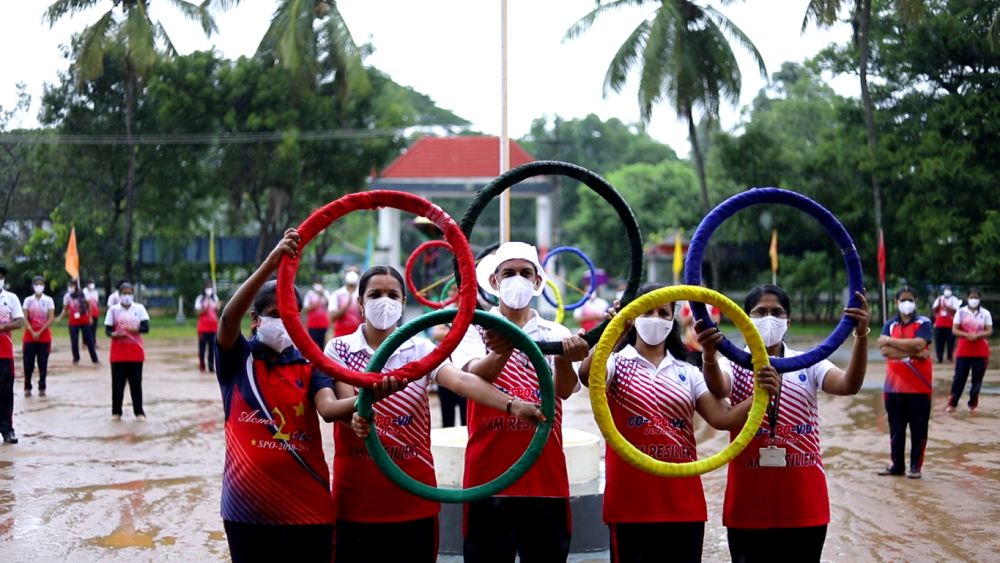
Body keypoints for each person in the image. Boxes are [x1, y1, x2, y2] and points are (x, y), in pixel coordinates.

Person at [329, 265, 546, 563]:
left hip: (415, 495)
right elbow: (342, 407)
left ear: (404, 302)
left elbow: (461, 381)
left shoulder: (420, 349)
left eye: (392, 295)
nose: (384, 301)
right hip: (356, 497)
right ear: (360, 303)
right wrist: (357, 414)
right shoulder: (339, 348)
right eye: (375, 294)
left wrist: (513, 405)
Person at [578, 282, 780, 563]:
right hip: (630, 503)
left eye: (663, 312)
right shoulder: (614, 362)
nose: (656, 319)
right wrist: (612, 336)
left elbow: (722, 418)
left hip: (684, 502)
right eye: (647, 311)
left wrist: (760, 396)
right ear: (633, 317)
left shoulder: (688, 370)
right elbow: (589, 376)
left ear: (672, 319)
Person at [699, 283, 870, 563]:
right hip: (748, 504)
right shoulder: (734, 364)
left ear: (788, 322)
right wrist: (708, 355)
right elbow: (718, 389)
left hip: (804, 502)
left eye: (777, 312)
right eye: (760, 311)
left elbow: (849, 385)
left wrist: (861, 334)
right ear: (746, 319)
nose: (769, 318)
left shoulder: (808, 362)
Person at [214, 229, 357, 563]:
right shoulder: (237, 359)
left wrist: (374, 393)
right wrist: (270, 264)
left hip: (309, 506)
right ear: (255, 319)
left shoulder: (312, 363)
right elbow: (227, 318)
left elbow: (329, 409)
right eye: (275, 315)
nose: (283, 322)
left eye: (290, 315)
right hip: (245, 508)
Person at [451, 241, 589, 563]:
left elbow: (565, 391)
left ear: (538, 282)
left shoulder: (555, 330)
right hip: (489, 476)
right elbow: (472, 377)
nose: (517, 279)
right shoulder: (473, 327)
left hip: (547, 474)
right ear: (495, 281)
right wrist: (502, 348)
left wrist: (566, 358)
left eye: (525, 273)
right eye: (509, 273)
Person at [877, 286, 933, 479]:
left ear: (916, 302)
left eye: (910, 299)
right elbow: (884, 351)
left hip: (919, 386)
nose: (906, 303)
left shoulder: (924, 322)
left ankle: (915, 467)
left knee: (919, 429)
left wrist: (891, 342)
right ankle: (897, 465)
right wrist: (915, 353)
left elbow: (920, 343)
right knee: (896, 428)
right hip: (893, 387)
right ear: (896, 302)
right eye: (903, 300)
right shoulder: (890, 324)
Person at [105, 283, 150, 420]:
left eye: (129, 293)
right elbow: (108, 330)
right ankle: (116, 412)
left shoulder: (139, 308)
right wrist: (115, 335)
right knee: (117, 383)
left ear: (133, 295)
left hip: (135, 352)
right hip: (118, 353)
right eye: (124, 293)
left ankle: (139, 412)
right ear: (119, 295)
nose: (126, 296)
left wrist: (132, 330)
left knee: (136, 383)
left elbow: (145, 328)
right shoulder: (113, 310)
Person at [948, 288, 993, 413]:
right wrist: (967, 335)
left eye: (976, 298)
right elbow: (954, 330)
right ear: (967, 299)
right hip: (964, 350)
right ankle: (953, 403)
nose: (974, 300)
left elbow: (989, 330)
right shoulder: (961, 312)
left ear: (979, 299)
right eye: (972, 297)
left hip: (981, 351)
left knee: (977, 378)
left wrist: (978, 336)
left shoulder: (985, 313)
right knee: (959, 377)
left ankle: (972, 404)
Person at [429, 282, 467, 427]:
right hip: (445, 367)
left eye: (455, 290)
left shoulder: (472, 310)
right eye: (450, 290)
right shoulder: (446, 311)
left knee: (466, 414)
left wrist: (449, 334)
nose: (452, 294)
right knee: (447, 413)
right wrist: (459, 334)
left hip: (464, 368)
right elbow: (435, 333)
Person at [0, 266, 24, 444]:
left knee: (5, 393)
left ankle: (7, 430)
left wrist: (3, 327)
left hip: (4, 353)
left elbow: (18, 322)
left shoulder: (10, 298)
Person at [22, 276, 56, 397]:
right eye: (36, 284)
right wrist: (32, 331)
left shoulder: (49, 300)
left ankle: (42, 386)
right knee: (28, 363)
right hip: (29, 336)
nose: (38, 286)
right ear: (32, 286)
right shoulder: (28, 300)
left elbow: (51, 317)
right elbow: (24, 318)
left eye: (41, 284)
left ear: (44, 286)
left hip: (44, 336)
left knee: (43, 362)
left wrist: (40, 331)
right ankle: (27, 386)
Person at [58, 279, 99, 365]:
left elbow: (89, 306)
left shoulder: (83, 294)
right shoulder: (67, 296)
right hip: (73, 322)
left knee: (89, 340)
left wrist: (90, 317)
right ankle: (76, 358)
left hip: (84, 320)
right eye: (69, 286)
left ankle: (94, 358)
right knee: (74, 340)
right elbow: (65, 309)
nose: (70, 288)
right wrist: (59, 318)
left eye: (72, 286)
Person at [931, 285, 962, 363]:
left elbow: (956, 310)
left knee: (950, 342)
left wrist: (947, 306)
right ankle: (939, 357)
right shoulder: (939, 298)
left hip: (950, 324)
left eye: (949, 289)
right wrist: (939, 304)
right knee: (939, 342)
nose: (947, 291)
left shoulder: (954, 299)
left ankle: (949, 357)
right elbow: (934, 309)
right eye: (946, 289)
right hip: (939, 323)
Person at [195, 281, 221, 373]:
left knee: (212, 348)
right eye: (207, 287)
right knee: (202, 348)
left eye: (210, 287)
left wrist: (217, 307)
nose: (209, 289)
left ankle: (211, 366)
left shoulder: (215, 298)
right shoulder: (200, 299)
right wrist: (205, 309)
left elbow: (217, 313)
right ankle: (202, 366)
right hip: (203, 327)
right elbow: (197, 313)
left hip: (213, 327)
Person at [330, 266, 362, 338]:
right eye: (349, 272)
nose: (352, 274)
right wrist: (347, 305)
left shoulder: (363, 294)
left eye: (356, 272)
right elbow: (332, 317)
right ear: (344, 276)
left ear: (359, 276)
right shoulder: (337, 294)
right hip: (340, 337)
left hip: (360, 338)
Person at [303, 276, 331, 351]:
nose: (318, 285)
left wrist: (322, 294)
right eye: (317, 283)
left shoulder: (326, 293)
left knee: (323, 345)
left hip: (323, 324)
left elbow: (330, 306)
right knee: (312, 345)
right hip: (312, 324)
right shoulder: (309, 294)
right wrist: (315, 305)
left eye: (320, 283)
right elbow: (306, 309)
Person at [84, 278, 101, 348]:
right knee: (87, 328)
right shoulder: (84, 291)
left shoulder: (95, 292)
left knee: (94, 328)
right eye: (91, 283)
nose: (92, 285)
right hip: (87, 313)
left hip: (95, 312)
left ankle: (93, 341)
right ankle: (85, 342)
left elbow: (96, 302)